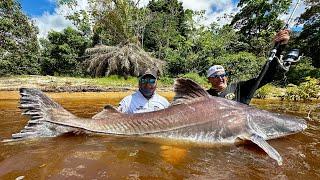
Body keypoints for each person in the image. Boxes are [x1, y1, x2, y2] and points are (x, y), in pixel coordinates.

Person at [206, 29, 292, 104]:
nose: (221, 78)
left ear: (226, 77)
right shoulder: (204, 95)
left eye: (222, 75)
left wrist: (279, 47)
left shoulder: (239, 88)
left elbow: (266, 77)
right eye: (216, 76)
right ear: (209, 79)